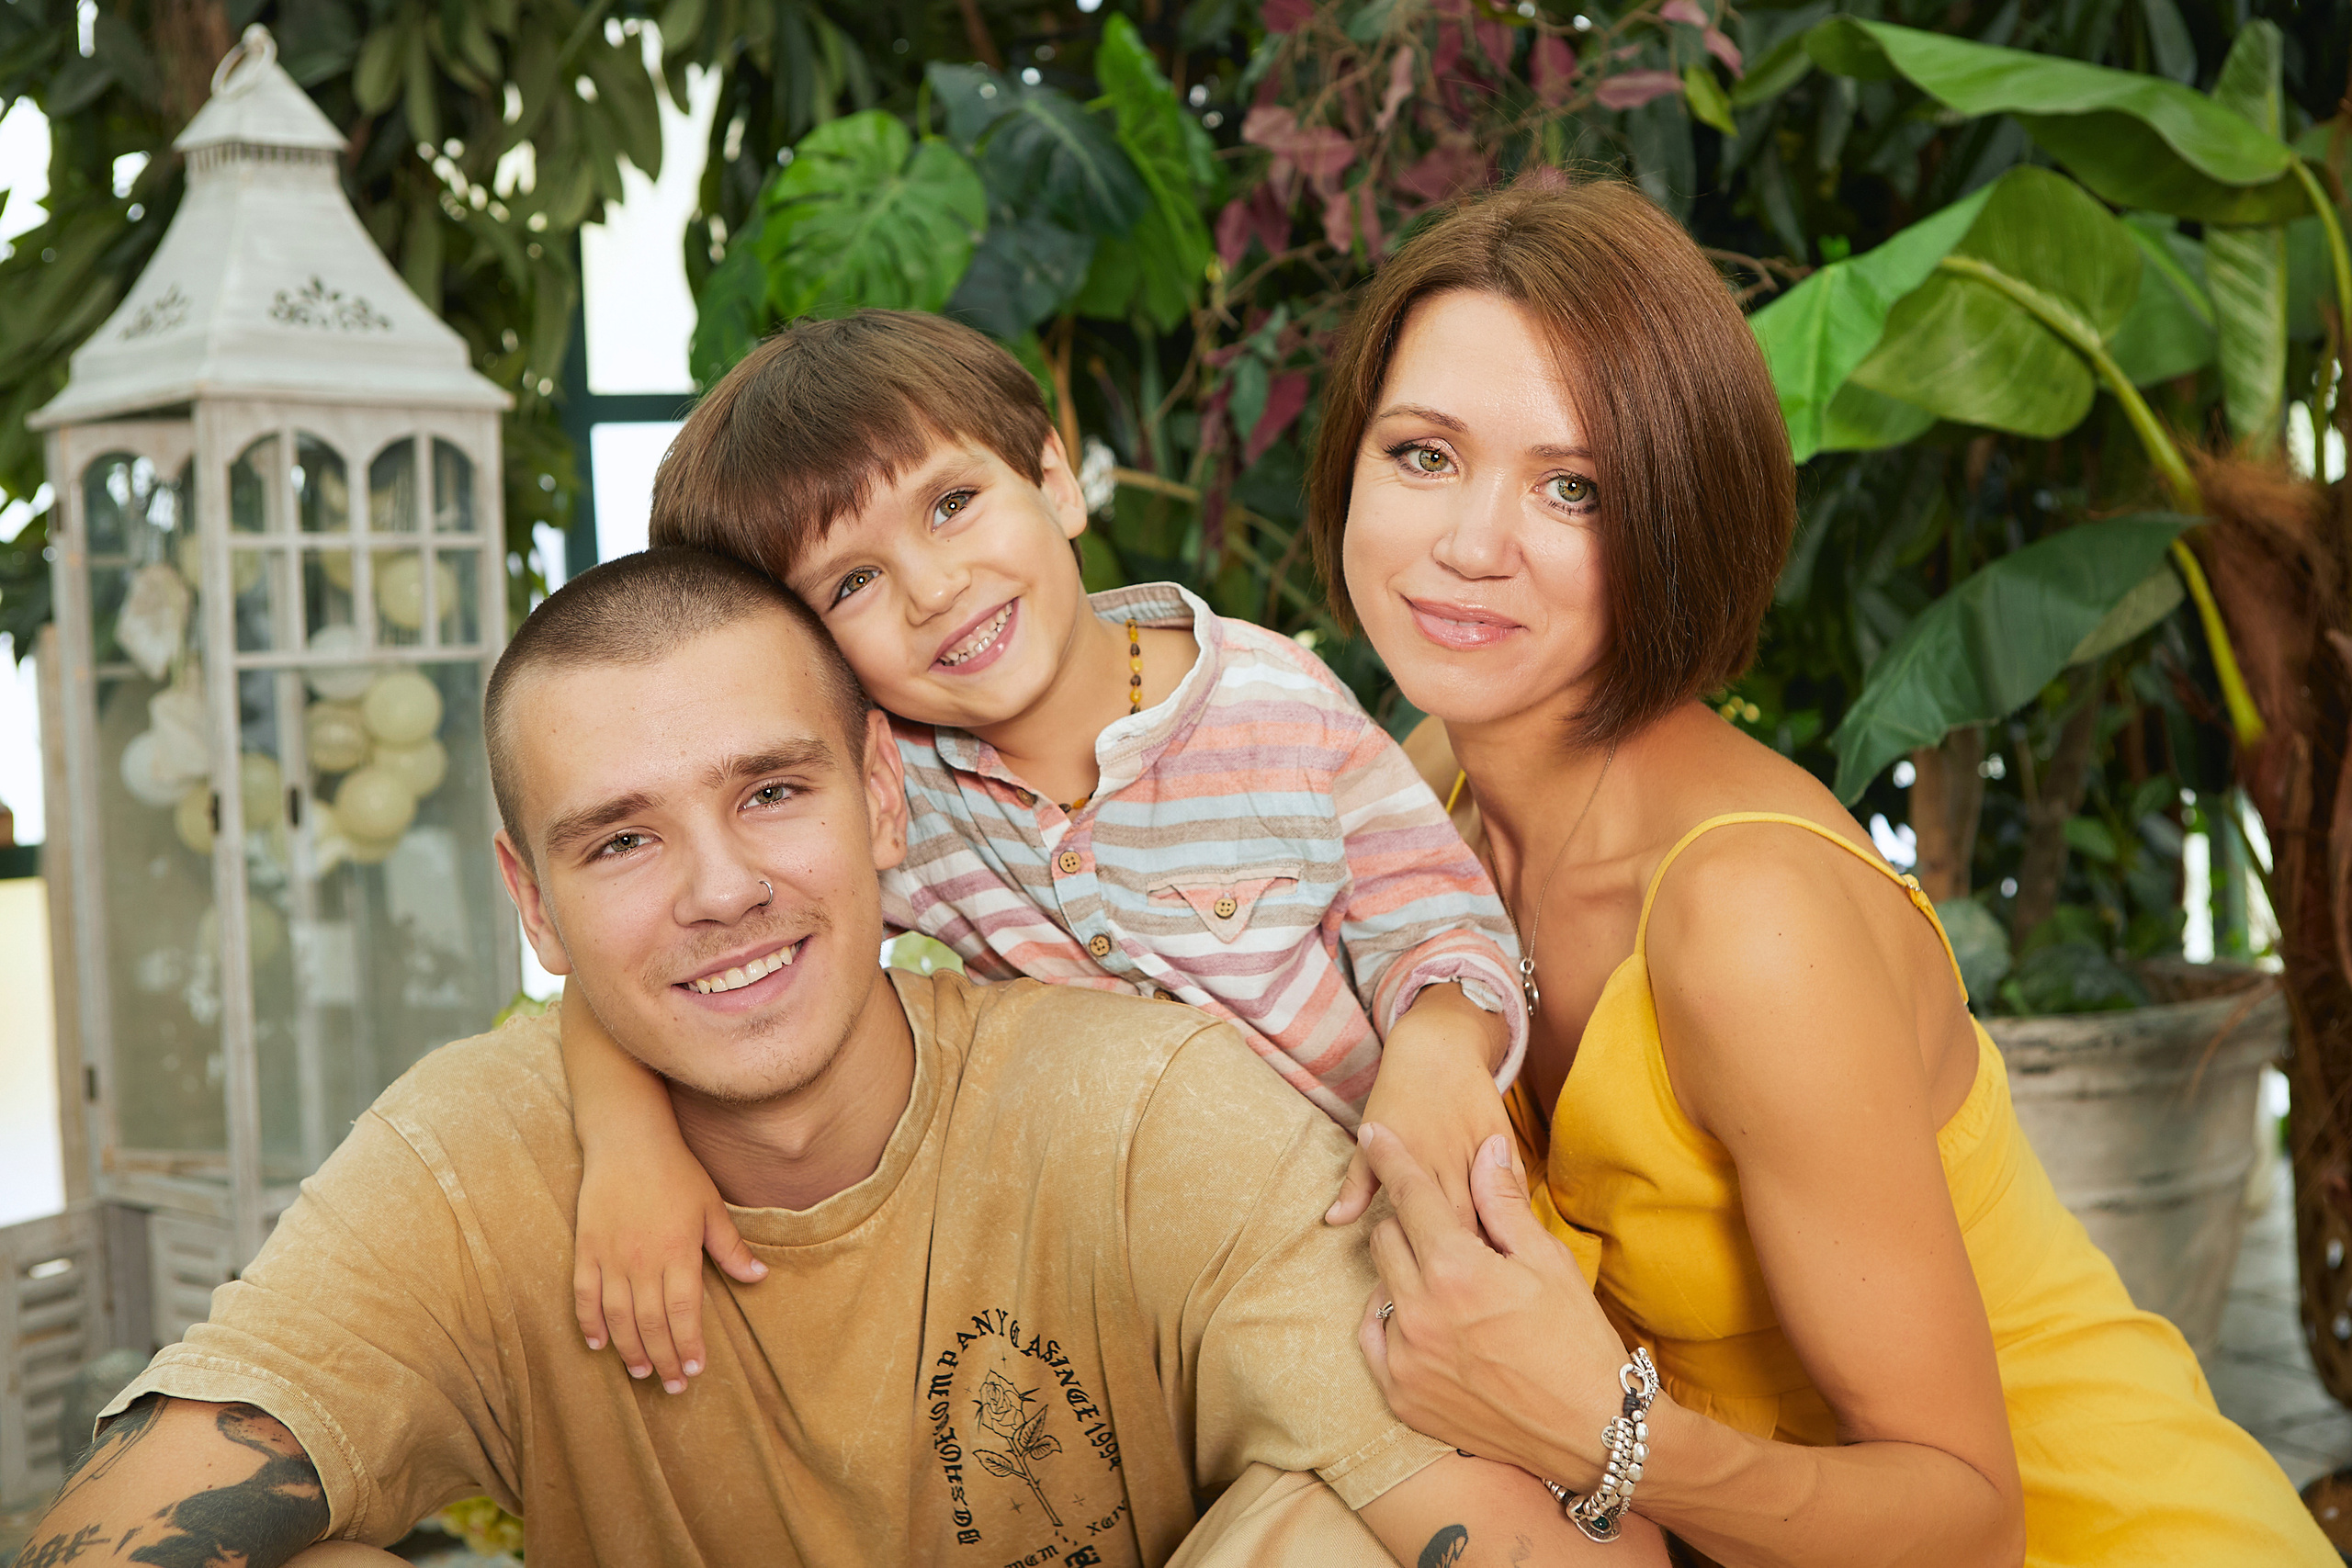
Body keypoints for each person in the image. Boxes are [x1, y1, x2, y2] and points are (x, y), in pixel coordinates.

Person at [21, 548, 1659, 1568]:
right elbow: (106, 1530)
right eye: (620, 839)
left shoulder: (1144, 1105)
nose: (722, 886)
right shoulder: (474, 1155)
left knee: (1320, 1538)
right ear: (531, 901)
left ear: (883, 797)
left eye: (772, 791)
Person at [1309, 175, 2335, 1564]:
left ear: (1678, 523)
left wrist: (1602, 1433)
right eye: (1424, 454)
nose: (1469, 545)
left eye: (1572, 487)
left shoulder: (1747, 919)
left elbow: (1972, 1522)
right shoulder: (1426, 779)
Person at [560, 310, 1529, 1393]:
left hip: (1382, 1249)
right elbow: (647, 969)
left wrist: (1439, 1051)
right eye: (851, 583)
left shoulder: (1276, 707)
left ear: (1055, 483)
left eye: (951, 504)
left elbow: (1443, 928)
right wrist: (629, 1149)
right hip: (1135, 1304)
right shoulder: (888, 793)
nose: (934, 588)